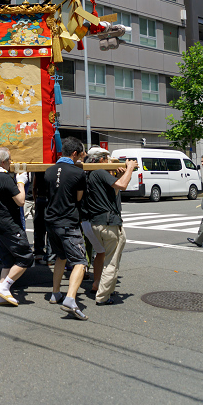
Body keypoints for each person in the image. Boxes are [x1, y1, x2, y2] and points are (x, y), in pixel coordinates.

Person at [82, 148, 137, 305]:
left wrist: (119, 175)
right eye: (107, 158)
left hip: (95, 222)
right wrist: (130, 168)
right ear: (100, 160)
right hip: (109, 223)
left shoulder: (90, 174)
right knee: (111, 262)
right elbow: (122, 185)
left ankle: (97, 284)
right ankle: (103, 296)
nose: (109, 161)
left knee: (102, 254)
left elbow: (113, 192)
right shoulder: (100, 171)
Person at [44, 137, 88, 321]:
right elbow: (78, 198)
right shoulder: (78, 173)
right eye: (81, 154)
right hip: (68, 222)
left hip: (51, 221)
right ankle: (70, 298)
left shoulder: (49, 171)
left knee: (60, 256)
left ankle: (55, 293)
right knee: (80, 261)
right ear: (75, 154)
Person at [0, 148, 33, 306]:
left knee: (7, 261)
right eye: (10, 160)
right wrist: (20, 182)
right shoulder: (4, 178)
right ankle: (5, 288)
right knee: (26, 257)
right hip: (9, 224)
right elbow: (20, 201)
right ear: (3, 162)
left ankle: (1, 294)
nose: (11, 163)